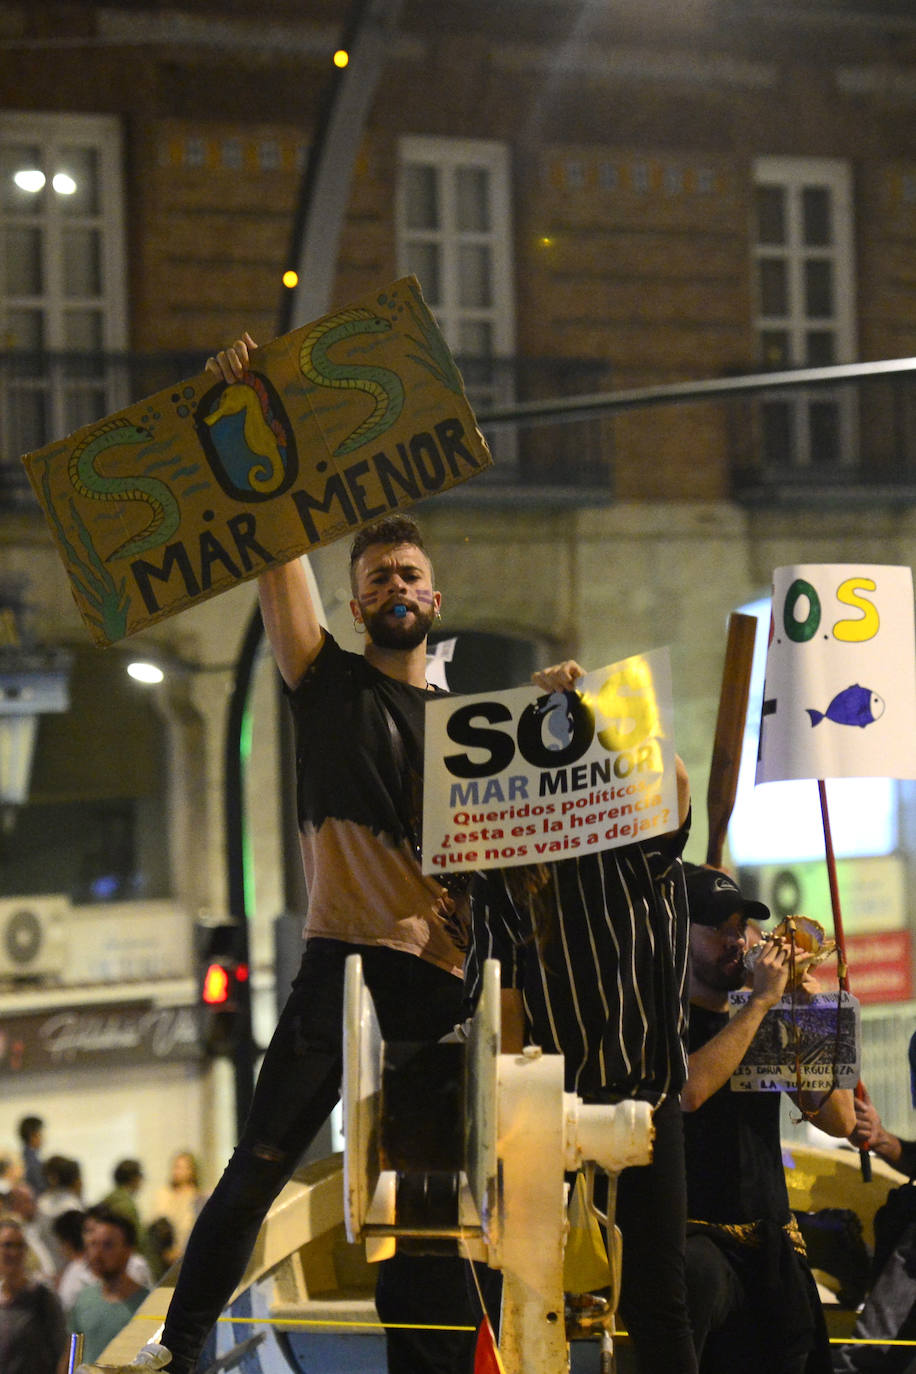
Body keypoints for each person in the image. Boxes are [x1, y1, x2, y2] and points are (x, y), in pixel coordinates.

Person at [102, 345, 476, 1374]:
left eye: (409, 574)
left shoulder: (471, 728)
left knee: (435, 1206)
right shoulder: (323, 677)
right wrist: (244, 405)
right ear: (354, 607)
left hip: (439, 985)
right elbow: (275, 536)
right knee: (259, 1163)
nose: (394, 587)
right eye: (376, 580)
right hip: (337, 965)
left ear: (433, 599)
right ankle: (181, 1346)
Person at [464, 658, 698, 1374]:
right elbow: (502, 999)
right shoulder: (505, 877)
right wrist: (502, 1119)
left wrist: (598, 706)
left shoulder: (629, 848)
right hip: (548, 1112)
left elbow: (678, 789)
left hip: (646, 1097)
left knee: (658, 1299)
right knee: (539, 1299)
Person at [680, 862, 855, 1374]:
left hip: (771, 1243)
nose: (734, 940)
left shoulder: (764, 1011)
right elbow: (689, 1091)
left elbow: (839, 1119)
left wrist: (807, 1009)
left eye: (739, 925)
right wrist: (760, 1004)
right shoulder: (660, 1015)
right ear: (676, 931)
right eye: (716, 927)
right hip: (700, 1243)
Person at [69, 1209, 149, 1365]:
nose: (97, 1254)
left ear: (128, 1250)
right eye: (93, 1244)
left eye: (108, 1245)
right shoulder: (85, 1298)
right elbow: (70, 1354)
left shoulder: (147, 1305)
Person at [0, 1216, 67, 1374]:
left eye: (20, 1246)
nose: (14, 1252)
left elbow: (61, 1351)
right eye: (7, 1245)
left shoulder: (43, 1298)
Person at [148, 1152, 204, 1266]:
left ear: (192, 1171)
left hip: (187, 1254)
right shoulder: (163, 1194)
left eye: (183, 1168)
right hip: (162, 1254)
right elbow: (157, 1221)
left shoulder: (197, 1197)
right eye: (176, 1167)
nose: (178, 1171)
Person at [17, 1116, 45, 1196]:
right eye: (40, 1134)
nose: (42, 1138)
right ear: (33, 1136)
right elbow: (39, 1187)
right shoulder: (31, 1160)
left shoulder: (25, 1156)